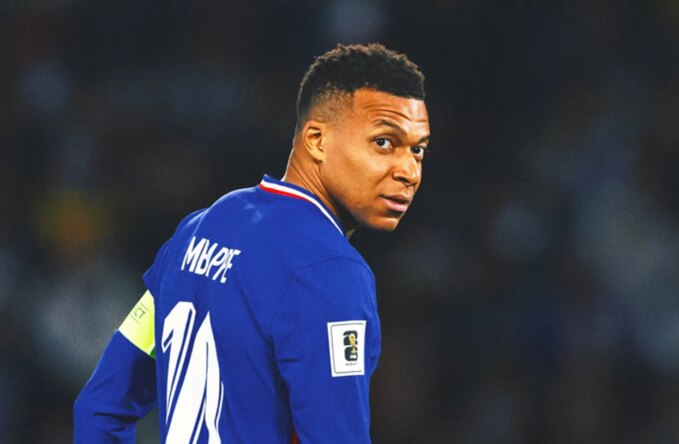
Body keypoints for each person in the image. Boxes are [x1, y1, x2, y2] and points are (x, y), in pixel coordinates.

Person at [73, 43, 430, 443]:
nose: (408, 171)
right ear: (317, 139)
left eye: (417, 150)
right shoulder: (328, 272)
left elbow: (99, 407)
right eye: (384, 142)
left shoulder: (197, 231)